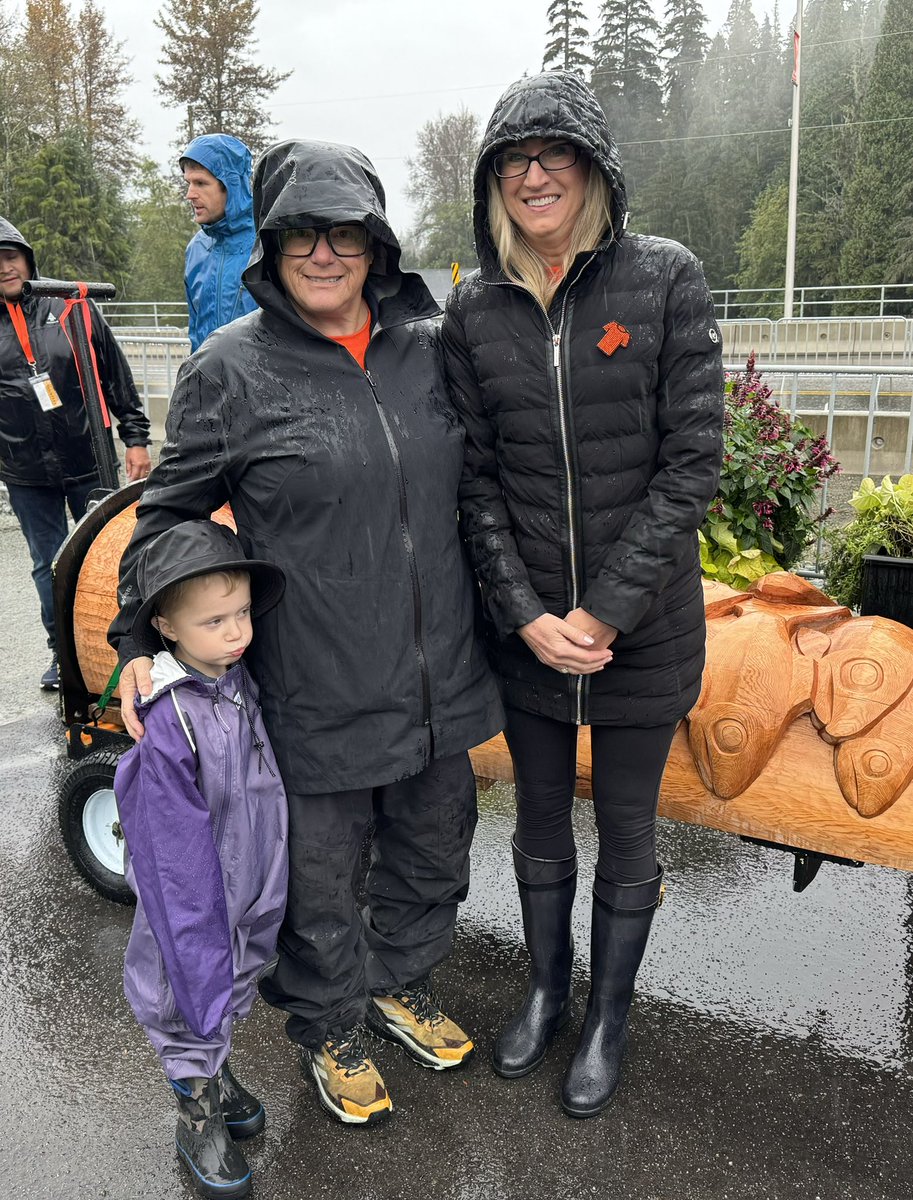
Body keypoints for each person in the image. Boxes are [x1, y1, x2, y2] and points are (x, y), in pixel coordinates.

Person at [109, 139, 503, 1129]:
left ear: (376, 246)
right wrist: (137, 642)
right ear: (272, 246)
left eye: (345, 234)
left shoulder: (428, 349)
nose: (323, 255)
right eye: (300, 235)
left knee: (432, 850)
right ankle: (328, 1022)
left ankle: (397, 979)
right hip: (315, 683)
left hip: (438, 675)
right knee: (319, 880)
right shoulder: (229, 371)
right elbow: (167, 520)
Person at [441, 70, 724, 1119]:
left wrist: (601, 612)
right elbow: (471, 481)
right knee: (539, 825)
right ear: (492, 186)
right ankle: (547, 991)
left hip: (640, 632)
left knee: (630, 831)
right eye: (513, 161)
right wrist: (524, 614)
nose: (533, 175)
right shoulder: (473, 308)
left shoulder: (664, 280)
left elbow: (691, 462)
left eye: (554, 154)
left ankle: (609, 1015)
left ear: (594, 169)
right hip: (527, 634)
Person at [115, 519, 287, 1199]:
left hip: (249, 885)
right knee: (187, 993)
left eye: (242, 612)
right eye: (214, 620)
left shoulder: (236, 680)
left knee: (232, 983)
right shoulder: (168, 718)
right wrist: (197, 927)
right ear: (166, 627)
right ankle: (195, 1107)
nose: (236, 631)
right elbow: (172, 857)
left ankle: (213, 1070)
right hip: (194, 903)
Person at [0, 216, 151, 690]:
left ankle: (122, 648)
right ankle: (62, 654)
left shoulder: (72, 309)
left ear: (27, 259)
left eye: (10, 256)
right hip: (24, 471)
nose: (4, 268)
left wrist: (136, 437)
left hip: (89, 458)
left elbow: (116, 376)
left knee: (108, 555)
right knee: (48, 562)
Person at [180, 134, 258, 351]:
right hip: (206, 381)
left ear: (231, 185)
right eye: (189, 183)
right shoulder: (196, 249)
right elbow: (196, 333)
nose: (190, 194)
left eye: (201, 183)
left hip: (261, 382)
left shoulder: (267, 246)